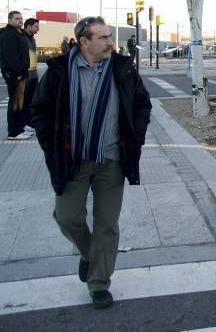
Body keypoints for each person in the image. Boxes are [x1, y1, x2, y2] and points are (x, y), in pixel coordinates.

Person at [30, 16, 151, 309]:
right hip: (74, 159)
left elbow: (141, 104)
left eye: (109, 36)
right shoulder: (59, 71)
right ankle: (89, 255)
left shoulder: (122, 68)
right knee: (67, 217)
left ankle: (99, 283)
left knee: (107, 225)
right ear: (84, 41)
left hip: (112, 159)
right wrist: (51, 147)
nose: (110, 42)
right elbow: (40, 111)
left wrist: (136, 137)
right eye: (103, 37)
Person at [0, 11, 32, 140]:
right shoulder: (8, 35)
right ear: (10, 20)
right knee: (15, 103)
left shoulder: (18, 33)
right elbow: (11, 56)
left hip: (20, 74)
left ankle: (20, 127)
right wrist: (18, 73)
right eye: (17, 18)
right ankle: (13, 132)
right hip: (14, 75)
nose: (20, 20)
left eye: (21, 18)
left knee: (20, 103)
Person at [22, 18, 40, 133]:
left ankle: (29, 122)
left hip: (33, 74)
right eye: (36, 26)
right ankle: (23, 123)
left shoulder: (32, 38)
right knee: (23, 101)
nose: (38, 29)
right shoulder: (22, 38)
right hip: (25, 75)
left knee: (31, 101)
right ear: (28, 26)